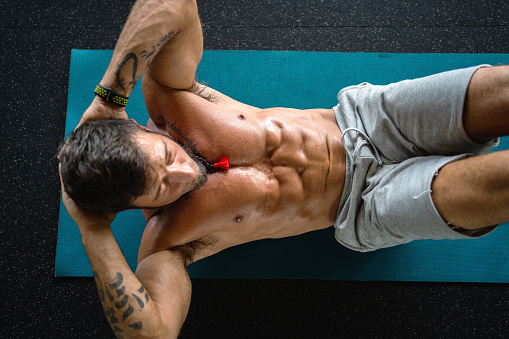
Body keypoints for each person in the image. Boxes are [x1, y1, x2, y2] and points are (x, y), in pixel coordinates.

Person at [59, 0, 509, 337]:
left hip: (369, 119)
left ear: (139, 125)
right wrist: (93, 232)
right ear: (132, 208)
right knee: (497, 185)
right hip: (364, 205)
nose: (180, 176)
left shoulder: (170, 99)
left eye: (166, 158)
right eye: (160, 189)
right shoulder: (169, 241)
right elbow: (155, 334)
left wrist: (107, 97)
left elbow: (173, 3)